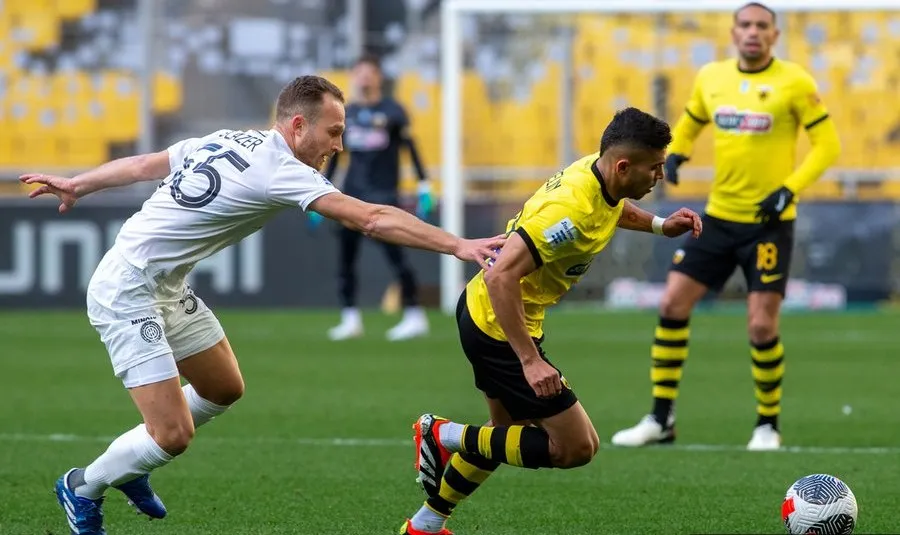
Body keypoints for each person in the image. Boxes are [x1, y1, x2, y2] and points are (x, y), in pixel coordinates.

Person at [22, 74, 505, 535]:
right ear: (298, 125)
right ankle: (83, 485)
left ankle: (131, 463)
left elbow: (148, 163)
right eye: (333, 132)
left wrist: (79, 183)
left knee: (223, 387)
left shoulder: (229, 138)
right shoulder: (280, 170)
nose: (338, 146)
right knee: (171, 435)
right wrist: (457, 245)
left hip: (166, 285)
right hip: (126, 289)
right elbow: (372, 219)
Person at [398, 107, 703, 535]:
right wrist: (529, 360)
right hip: (497, 327)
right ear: (623, 165)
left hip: (488, 315)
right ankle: (442, 434)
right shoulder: (570, 210)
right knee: (577, 447)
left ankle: (425, 525)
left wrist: (658, 226)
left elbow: (611, 209)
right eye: (654, 168)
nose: (659, 175)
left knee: (504, 435)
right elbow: (502, 272)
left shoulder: (597, 176)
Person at [611, 2, 841, 451]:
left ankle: (767, 426)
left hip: (769, 224)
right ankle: (661, 420)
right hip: (717, 218)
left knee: (760, 326)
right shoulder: (712, 77)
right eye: (745, 25)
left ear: (774, 35)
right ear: (733, 33)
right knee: (673, 303)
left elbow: (827, 146)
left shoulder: (795, 82)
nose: (753, 32)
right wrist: (675, 153)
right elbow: (693, 118)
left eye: (762, 26)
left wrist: (789, 189)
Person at [319, 53, 433, 341]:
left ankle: (414, 314)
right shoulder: (349, 113)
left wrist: (424, 185)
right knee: (346, 259)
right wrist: (321, 186)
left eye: (369, 72)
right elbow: (336, 155)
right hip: (351, 196)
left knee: (397, 256)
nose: (364, 77)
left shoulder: (394, 112)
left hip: (384, 196)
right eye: (359, 72)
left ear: (379, 76)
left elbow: (412, 149)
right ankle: (350, 318)